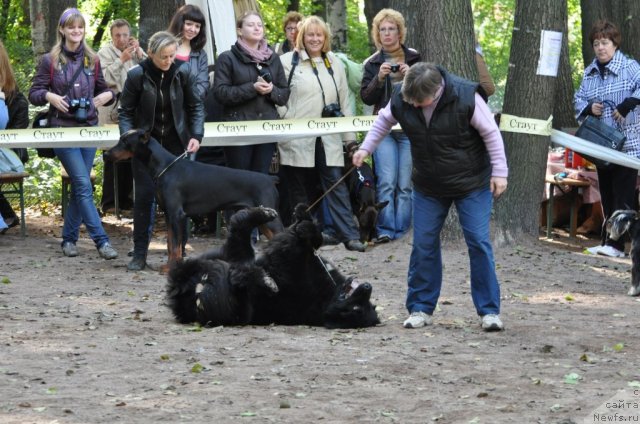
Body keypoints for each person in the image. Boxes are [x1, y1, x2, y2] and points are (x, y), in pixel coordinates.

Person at [353, 62, 508, 331]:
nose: (413, 106)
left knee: (479, 242)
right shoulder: (403, 96)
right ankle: (420, 308)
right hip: (428, 185)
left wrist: (500, 172)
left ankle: (489, 311)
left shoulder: (466, 95)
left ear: (437, 91)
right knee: (423, 244)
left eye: (419, 102)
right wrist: (365, 149)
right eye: (409, 100)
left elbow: (491, 134)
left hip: (471, 183)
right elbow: (383, 122)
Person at [28, 8, 118, 260]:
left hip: (88, 129)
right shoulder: (51, 60)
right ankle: (102, 242)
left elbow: (107, 90)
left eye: (79, 27)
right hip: (62, 131)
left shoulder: (93, 59)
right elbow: (34, 93)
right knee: (81, 183)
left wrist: (108, 95)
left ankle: (68, 239)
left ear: (83, 30)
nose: (76, 31)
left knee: (83, 186)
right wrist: (49, 96)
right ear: (62, 29)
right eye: (71, 27)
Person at [118, 31, 205, 271]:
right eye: (163, 57)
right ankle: (139, 254)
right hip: (146, 149)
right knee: (144, 199)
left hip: (177, 147)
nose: (169, 61)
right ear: (151, 53)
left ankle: (178, 256)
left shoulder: (183, 72)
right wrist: (129, 138)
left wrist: (196, 135)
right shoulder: (137, 76)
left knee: (179, 204)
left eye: (172, 55)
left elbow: (195, 106)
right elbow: (125, 111)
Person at [278, 15, 365, 252]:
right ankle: (302, 237)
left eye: (319, 35)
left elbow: (346, 101)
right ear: (301, 37)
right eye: (310, 34)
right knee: (300, 189)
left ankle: (349, 235)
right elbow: (278, 97)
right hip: (297, 137)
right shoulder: (287, 61)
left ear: (325, 38)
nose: (315, 39)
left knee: (334, 184)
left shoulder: (334, 62)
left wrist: (350, 140)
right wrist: (285, 119)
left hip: (329, 138)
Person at [575, 20, 640, 258]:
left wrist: (628, 104)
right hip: (602, 145)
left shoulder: (630, 67)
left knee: (623, 195)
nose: (600, 48)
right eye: (596, 43)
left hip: (628, 144)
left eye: (605, 43)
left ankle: (616, 246)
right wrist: (589, 107)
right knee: (608, 195)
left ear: (614, 44)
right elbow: (578, 99)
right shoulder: (590, 72)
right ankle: (609, 242)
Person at [360, 8, 421, 244]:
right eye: (382, 29)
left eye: (391, 29)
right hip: (383, 129)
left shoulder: (415, 58)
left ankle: (403, 231)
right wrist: (380, 78)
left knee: (405, 184)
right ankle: (385, 229)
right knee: (386, 182)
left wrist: (411, 76)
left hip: (409, 128)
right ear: (377, 34)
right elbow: (366, 97)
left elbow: (428, 91)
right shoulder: (373, 63)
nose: (387, 34)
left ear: (400, 32)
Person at [213, 11, 289, 176]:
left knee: (261, 178)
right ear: (240, 30)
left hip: (267, 129)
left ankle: (261, 204)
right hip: (237, 130)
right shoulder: (227, 58)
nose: (257, 28)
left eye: (259, 25)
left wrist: (271, 91)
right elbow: (220, 93)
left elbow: (284, 95)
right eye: (250, 25)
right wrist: (252, 88)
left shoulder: (273, 58)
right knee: (240, 179)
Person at [97, 18, 146, 214]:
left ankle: (126, 201)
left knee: (130, 155)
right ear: (112, 36)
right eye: (118, 35)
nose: (122, 39)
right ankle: (109, 203)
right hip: (111, 112)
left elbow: (146, 71)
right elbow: (105, 79)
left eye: (125, 34)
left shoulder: (134, 52)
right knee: (112, 156)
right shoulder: (103, 53)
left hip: (131, 111)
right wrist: (121, 60)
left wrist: (140, 54)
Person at [0, 40, 29, 234]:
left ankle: (5, 218)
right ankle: (6, 216)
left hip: (9, 154)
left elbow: (12, 135)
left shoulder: (15, 98)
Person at [168, 4, 209, 101]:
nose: (193, 29)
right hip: (165, 109)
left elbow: (203, 85)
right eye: (189, 24)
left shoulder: (201, 55)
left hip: (191, 109)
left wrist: (186, 101)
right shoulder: (164, 47)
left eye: (197, 26)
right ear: (179, 22)